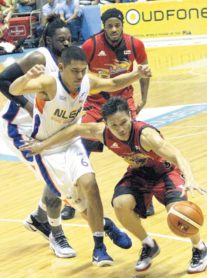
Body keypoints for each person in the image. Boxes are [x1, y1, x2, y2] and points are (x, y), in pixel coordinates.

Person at [22, 96, 207, 274]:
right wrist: (43, 145)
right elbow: (74, 130)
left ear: (130, 116)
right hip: (138, 174)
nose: (120, 129)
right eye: (114, 125)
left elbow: (177, 154)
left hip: (165, 173)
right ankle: (148, 245)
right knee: (120, 205)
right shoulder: (102, 132)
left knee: (180, 213)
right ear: (106, 123)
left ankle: (199, 247)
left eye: (124, 122)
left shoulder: (146, 135)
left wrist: (190, 178)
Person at [0, 15, 133, 261]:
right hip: (21, 128)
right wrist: (28, 107)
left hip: (53, 127)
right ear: (49, 40)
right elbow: (4, 80)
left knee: (66, 181)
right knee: (55, 182)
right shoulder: (40, 58)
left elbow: (109, 82)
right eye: (61, 40)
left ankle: (41, 217)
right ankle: (56, 232)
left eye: (69, 39)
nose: (65, 43)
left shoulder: (74, 67)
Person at [61, 7, 153, 219]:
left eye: (117, 25)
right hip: (95, 102)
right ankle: (72, 199)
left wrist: (144, 98)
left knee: (136, 149)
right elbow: (76, 71)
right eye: (109, 25)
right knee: (79, 149)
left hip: (122, 102)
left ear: (122, 25)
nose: (113, 29)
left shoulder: (135, 44)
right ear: (104, 26)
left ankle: (144, 197)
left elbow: (145, 72)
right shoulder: (90, 45)